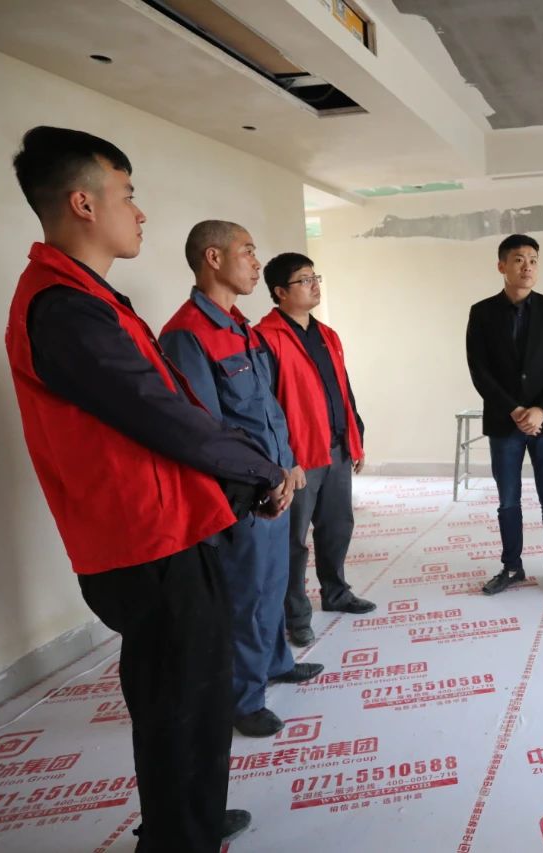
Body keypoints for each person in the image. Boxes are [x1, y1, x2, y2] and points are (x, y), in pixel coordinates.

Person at [6, 127, 291, 851]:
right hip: (143, 542)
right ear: (83, 203)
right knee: (179, 703)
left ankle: (191, 821)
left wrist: (242, 478)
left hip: (173, 528)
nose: (139, 212)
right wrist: (258, 469)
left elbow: (172, 416)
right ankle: (177, 837)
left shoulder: (92, 298)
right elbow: (163, 416)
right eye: (127, 195)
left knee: (197, 695)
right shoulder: (64, 309)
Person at [159, 221, 323, 738]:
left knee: (272, 584)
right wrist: (260, 480)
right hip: (245, 495)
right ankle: (243, 699)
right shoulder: (187, 333)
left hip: (275, 482)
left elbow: (267, 408)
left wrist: (288, 464)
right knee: (245, 596)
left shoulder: (240, 328)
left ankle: (275, 663)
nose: (256, 262)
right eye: (248, 252)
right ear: (213, 258)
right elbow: (205, 429)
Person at [257, 252, 376, 648]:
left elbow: (343, 388)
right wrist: (283, 460)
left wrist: (355, 435)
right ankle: (296, 615)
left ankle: (336, 592)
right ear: (280, 292)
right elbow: (266, 405)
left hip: (337, 446)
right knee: (293, 539)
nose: (314, 285)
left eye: (315, 277)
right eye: (303, 279)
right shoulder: (266, 338)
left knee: (338, 525)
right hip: (300, 457)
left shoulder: (327, 335)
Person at [465, 234, 543, 596]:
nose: (527, 266)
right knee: (508, 500)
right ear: (502, 266)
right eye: (518, 259)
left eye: (533, 260)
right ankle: (511, 567)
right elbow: (479, 369)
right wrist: (514, 409)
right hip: (504, 422)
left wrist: (541, 409)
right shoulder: (482, 312)